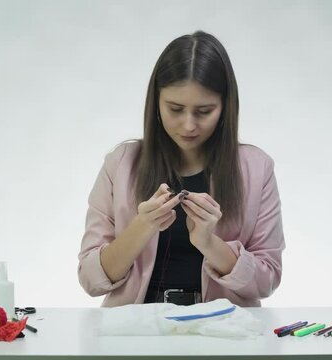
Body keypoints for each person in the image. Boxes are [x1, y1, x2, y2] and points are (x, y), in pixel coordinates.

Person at [78, 31, 285, 307]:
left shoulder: (256, 168)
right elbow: (90, 280)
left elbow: (268, 279)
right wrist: (142, 226)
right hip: (135, 330)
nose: (189, 125)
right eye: (175, 109)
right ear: (156, 102)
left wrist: (208, 242)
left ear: (225, 106)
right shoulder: (122, 163)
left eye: (204, 111)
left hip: (223, 332)